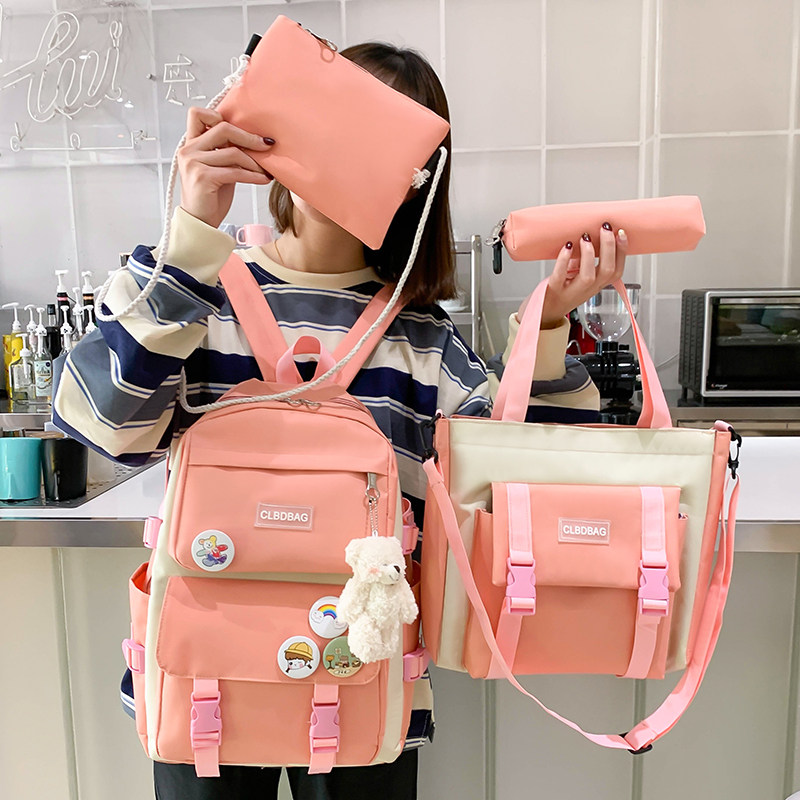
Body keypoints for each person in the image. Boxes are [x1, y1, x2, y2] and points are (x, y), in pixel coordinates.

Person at [53, 41, 626, 800]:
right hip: (204, 681)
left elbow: (526, 493)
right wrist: (189, 240)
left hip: (360, 683)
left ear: (416, 179)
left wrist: (549, 327)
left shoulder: (423, 341)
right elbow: (101, 427)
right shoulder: (189, 288)